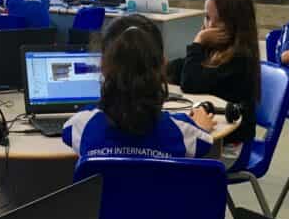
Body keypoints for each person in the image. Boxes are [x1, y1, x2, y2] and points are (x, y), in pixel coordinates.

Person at [63, 15, 214, 160]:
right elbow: (204, 141)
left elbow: (67, 132)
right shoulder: (183, 131)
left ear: (102, 66)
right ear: (163, 65)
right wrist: (199, 125)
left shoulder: (82, 125)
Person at [177, 0, 260, 167]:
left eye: (219, 20)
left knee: (171, 160)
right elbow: (180, 70)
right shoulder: (214, 48)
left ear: (237, 23)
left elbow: (190, 82)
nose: (210, 26)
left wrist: (198, 41)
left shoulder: (240, 58)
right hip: (212, 136)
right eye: (207, 17)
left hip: (229, 146)